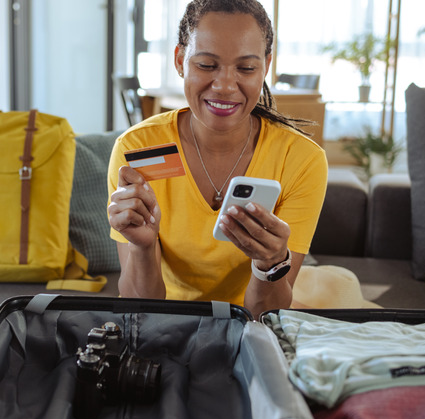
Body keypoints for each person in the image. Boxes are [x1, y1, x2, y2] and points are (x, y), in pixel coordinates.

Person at [106, 0, 328, 316]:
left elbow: (263, 316)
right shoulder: (137, 147)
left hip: (251, 328)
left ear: (265, 65)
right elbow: (141, 309)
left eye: (246, 68)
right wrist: (142, 247)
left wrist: (271, 263)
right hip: (170, 321)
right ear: (180, 60)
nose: (224, 86)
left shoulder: (301, 160)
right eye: (207, 65)